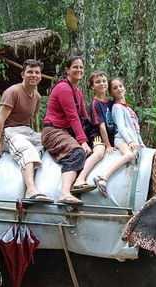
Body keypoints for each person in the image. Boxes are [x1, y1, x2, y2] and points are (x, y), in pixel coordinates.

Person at [0, 59, 53, 203]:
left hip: (26, 130)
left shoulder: (36, 96)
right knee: (27, 150)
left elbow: (29, 120)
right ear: (23, 74)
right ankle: (31, 190)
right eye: (30, 72)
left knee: (51, 138)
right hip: (10, 131)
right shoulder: (13, 92)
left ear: (40, 76)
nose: (34, 75)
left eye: (37, 72)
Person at [41, 56, 92, 205]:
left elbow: (83, 117)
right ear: (67, 70)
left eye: (81, 67)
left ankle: (80, 180)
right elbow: (73, 117)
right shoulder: (63, 88)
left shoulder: (78, 92)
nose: (79, 70)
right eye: (75, 67)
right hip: (53, 131)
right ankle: (64, 193)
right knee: (77, 153)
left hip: (67, 130)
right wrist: (82, 142)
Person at [92, 78, 145, 198]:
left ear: (125, 88)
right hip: (121, 139)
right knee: (129, 155)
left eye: (120, 86)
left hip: (132, 139)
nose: (119, 89)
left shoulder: (128, 108)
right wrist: (130, 141)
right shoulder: (116, 107)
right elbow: (121, 127)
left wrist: (140, 142)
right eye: (115, 88)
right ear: (111, 93)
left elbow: (135, 129)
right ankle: (103, 178)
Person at [71, 70, 116, 190]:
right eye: (97, 82)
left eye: (104, 81)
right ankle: (80, 178)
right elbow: (101, 126)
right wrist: (107, 145)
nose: (102, 84)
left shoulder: (111, 102)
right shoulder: (95, 104)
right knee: (99, 153)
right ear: (92, 86)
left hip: (111, 135)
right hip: (97, 135)